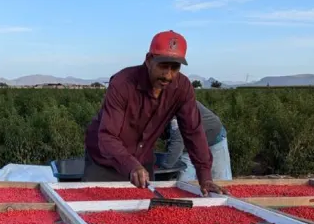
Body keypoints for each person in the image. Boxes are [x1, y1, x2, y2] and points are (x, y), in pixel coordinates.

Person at [82, 30, 228, 196]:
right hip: (105, 161)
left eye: (175, 68)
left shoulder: (182, 88)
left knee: (145, 211)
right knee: (95, 209)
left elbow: (193, 132)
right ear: (149, 59)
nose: (168, 75)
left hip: (142, 161)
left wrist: (205, 176)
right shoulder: (123, 84)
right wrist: (131, 166)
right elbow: (107, 136)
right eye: (163, 66)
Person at [160, 101, 232, 182]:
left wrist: (164, 169)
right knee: (184, 181)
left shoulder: (174, 107)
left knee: (220, 180)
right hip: (190, 145)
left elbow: (177, 142)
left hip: (213, 139)